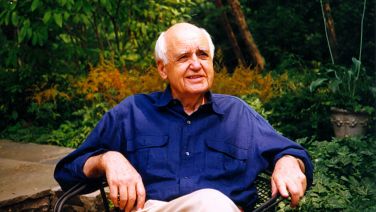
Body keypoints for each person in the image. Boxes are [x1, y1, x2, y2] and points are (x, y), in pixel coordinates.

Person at [54, 22, 313, 211]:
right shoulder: (133, 112)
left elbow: (293, 153)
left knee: (211, 204)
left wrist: (288, 161)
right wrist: (107, 159)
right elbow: (66, 173)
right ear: (162, 68)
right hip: (153, 209)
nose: (196, 64)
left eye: (203, 55)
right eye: (183, 57)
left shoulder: (237, 114)